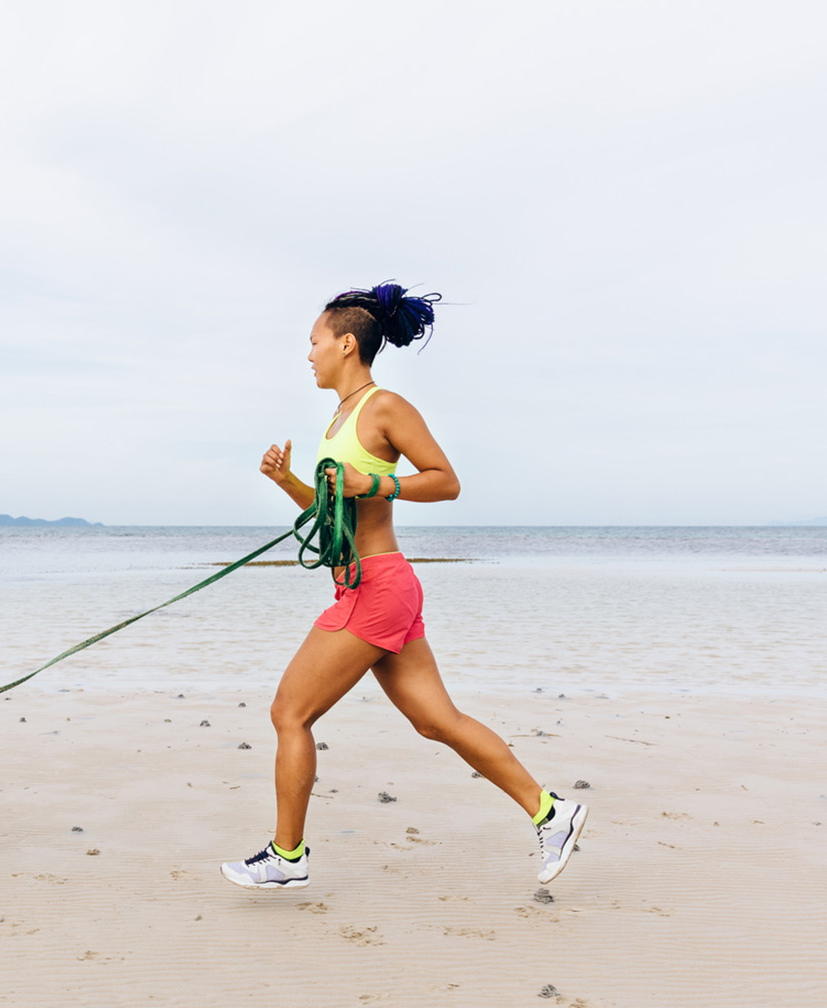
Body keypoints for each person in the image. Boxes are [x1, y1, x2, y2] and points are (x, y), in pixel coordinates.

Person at [220, 283, 586, 890]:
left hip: (377, 587)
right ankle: (553, 812)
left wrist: (380, 487)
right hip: (369, 585)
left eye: (312, 343)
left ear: (344, 344)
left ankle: (288, 856)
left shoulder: (383, 407)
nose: (307, 354)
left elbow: (446, 481)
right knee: (437, 721)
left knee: (290, 711)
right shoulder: (338, 420)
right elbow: (334, 512)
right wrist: (288, 482)